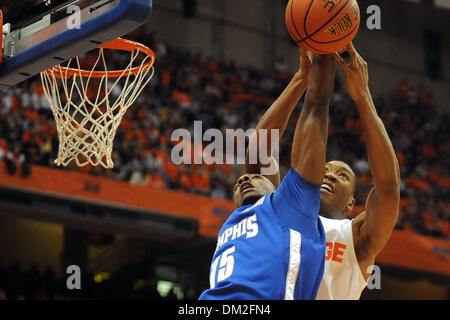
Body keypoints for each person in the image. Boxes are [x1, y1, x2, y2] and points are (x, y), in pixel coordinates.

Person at [198, 48, 336, 300]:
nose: (242, 179)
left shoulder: (292, 205)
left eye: (255, 177)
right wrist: (299, 79)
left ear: (278, 185)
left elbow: (316, 106)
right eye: (242, 180)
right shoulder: (235, 219)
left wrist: (322, 51)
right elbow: (258, 151)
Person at [314, 43, 400, 299]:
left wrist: (362, 97)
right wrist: (301, 80)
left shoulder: (354, 237)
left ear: (350, 204)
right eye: (326, 170)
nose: (329, 174)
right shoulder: (282, 220)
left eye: (342, 176)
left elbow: (388, 191)